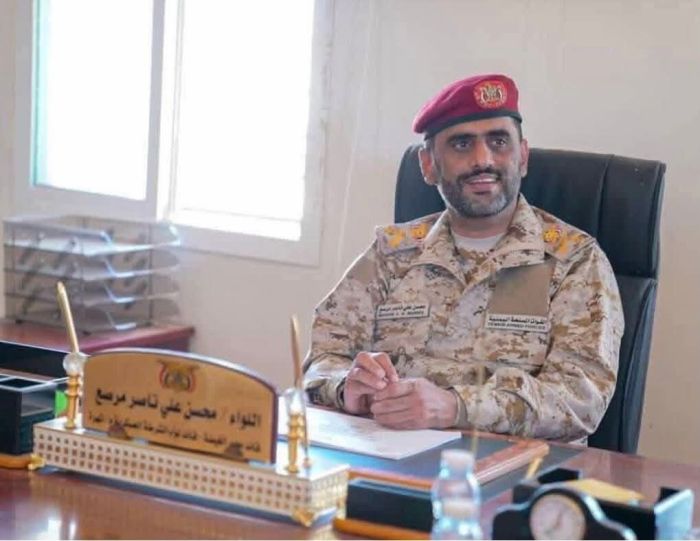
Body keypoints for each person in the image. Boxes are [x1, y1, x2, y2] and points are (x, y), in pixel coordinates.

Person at [303, 74, 624, 443]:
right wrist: (348, 387)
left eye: (499, 142)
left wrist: (456, 407)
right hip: (390, 455)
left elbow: (581, 399)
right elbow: (321, 358)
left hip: (518, 467)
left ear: (522, 157)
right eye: (461, 144)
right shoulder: (391, 255)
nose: (482, 160)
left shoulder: (574, 261)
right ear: (428, 164)